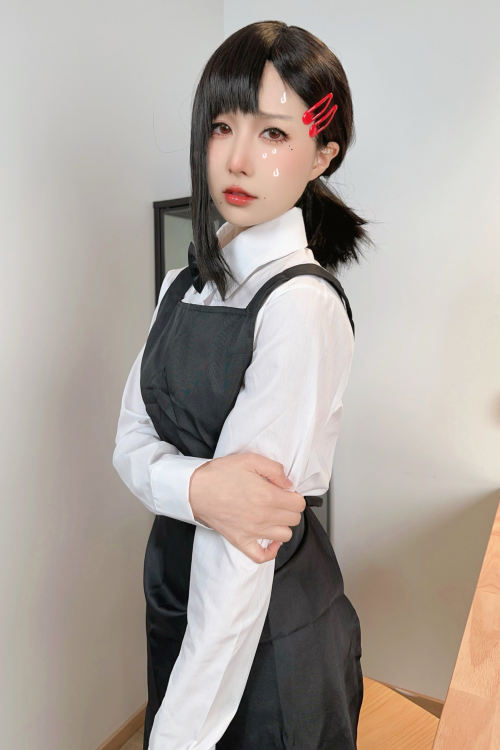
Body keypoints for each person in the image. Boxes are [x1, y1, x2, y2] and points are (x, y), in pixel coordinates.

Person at [112, 20, 373, 750]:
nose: (236, 158)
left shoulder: (300, 306)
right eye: (221, 126)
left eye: (274, 134)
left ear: (323, 154)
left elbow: (242, 552)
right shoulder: (180, 286)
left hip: (263, 625)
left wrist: (177, 736)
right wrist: (202, 489)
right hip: (176, 597)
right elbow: (127, 443)